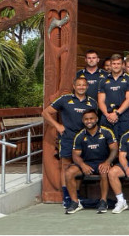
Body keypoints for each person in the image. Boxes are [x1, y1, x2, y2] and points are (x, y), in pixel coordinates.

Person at [43, 77, 96, 208]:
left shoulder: (92, 103)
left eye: (84, 85)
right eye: (79, 85)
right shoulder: (65, 99)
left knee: (79, 166)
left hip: (84, 138)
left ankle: (76, 195)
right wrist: (57, 126)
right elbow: (45, 113)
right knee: (66, 165)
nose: (81, 87)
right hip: (68, 137)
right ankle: (66, 196)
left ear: (87, 87)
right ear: (74, 86)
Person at [64, 109, 118, 214]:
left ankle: (103, 201)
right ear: (83, 121)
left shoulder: (106, 132)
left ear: (96, 119)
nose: (89, 121)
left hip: (103, 162)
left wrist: (107, 162)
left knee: (104, 171)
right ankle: (75, 202)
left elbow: (114, 149)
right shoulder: (80, 135)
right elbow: (75, 155)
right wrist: (82, 165)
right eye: (86, 119)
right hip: (87, 163)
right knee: (69, 172)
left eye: (91, 118)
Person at [97, 54, 129, 138]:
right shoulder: (103, 80)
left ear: (123, 65)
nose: (116, 66)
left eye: (118, 63)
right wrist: (107, 115)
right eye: (114, 63)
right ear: (110, 65)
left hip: (123, 118)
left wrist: (117, 113)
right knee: (105, 144)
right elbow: (100, 101)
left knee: (122, 144)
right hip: (107, 117)